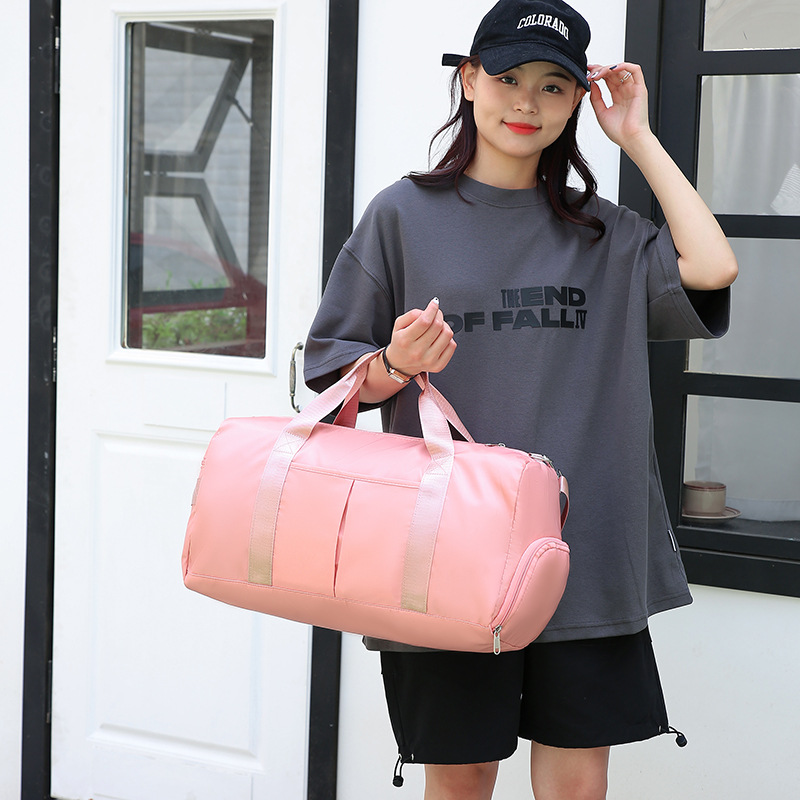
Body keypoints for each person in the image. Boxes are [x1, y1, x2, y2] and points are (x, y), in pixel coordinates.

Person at [304, 0, 738, 797]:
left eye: (553, 87)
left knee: (577, 781)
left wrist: (637, 137)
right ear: (469, 81)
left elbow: (713, 267)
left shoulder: (605, 234)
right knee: (463, 775)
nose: (527, 103)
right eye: (507, 78)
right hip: (447, 550)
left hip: (586, 548)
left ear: (578, 102)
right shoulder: (400, 216)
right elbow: (336, 378)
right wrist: (395, 364)